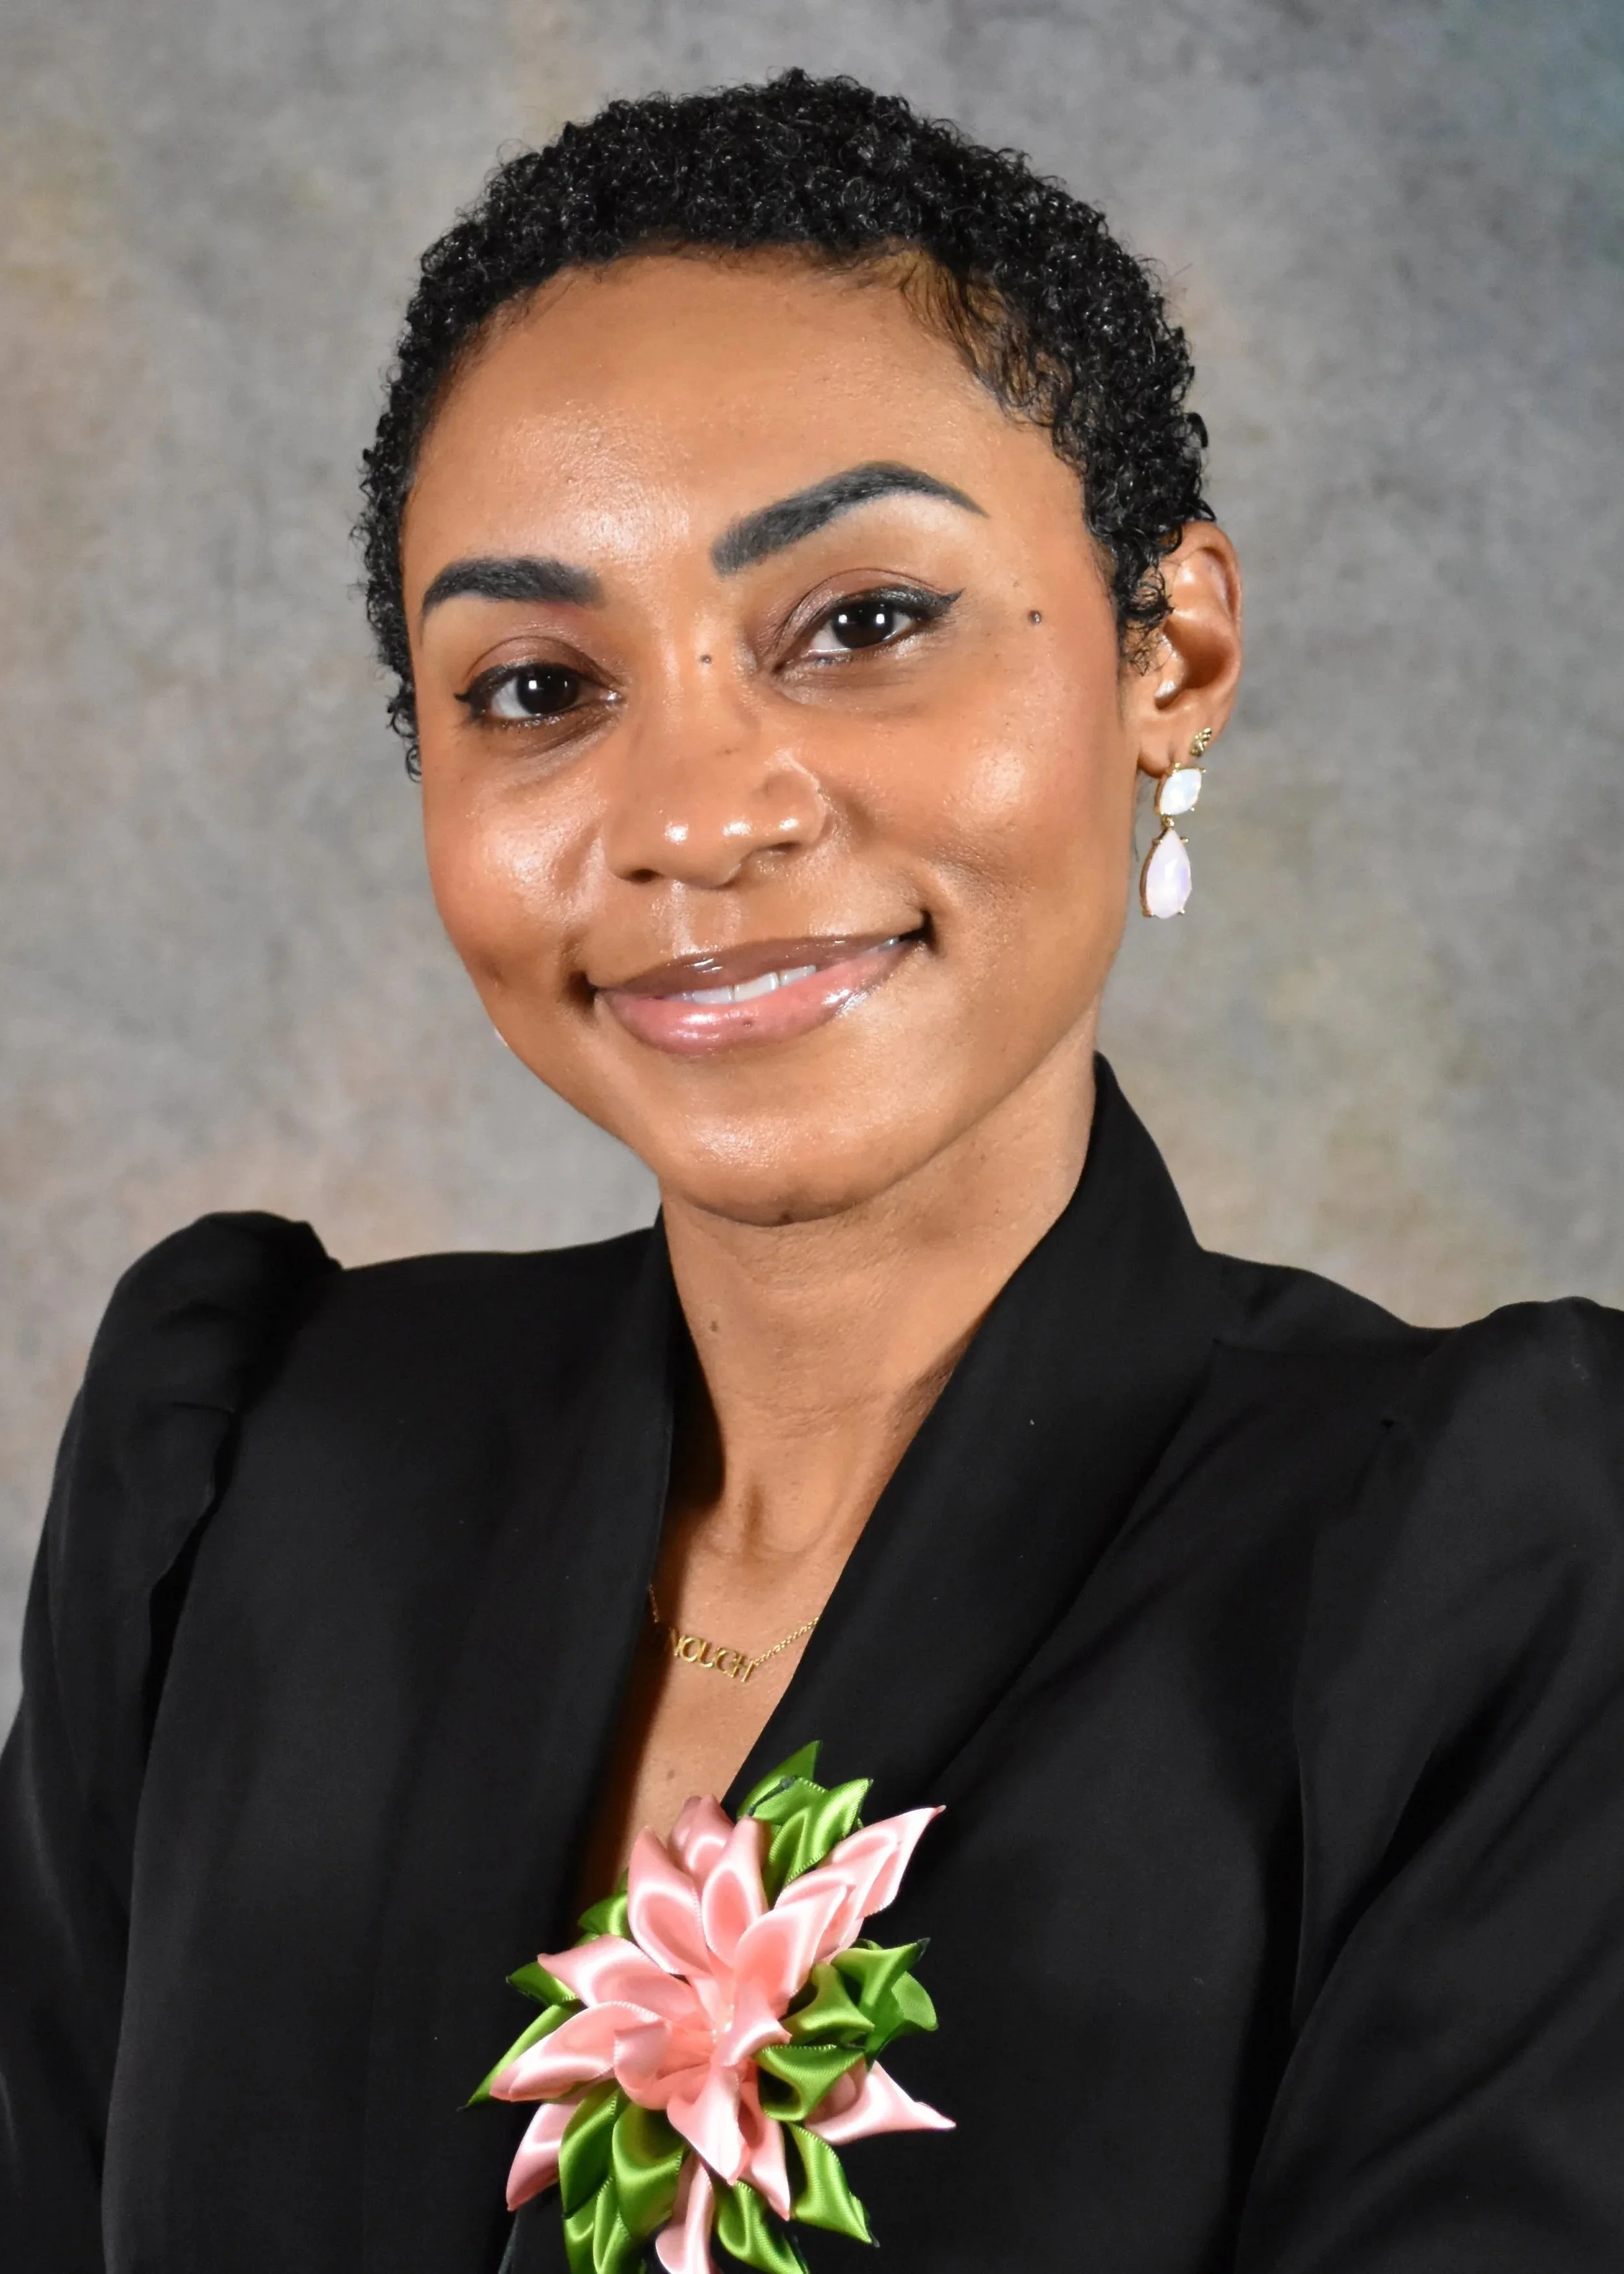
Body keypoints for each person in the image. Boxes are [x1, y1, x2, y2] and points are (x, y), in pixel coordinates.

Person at [5, 68, 1624, 2274]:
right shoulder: (246, 1467)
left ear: (1169, 652)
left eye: (860, 623)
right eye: (539, 684)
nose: (695, 814)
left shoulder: (1491, 1567)